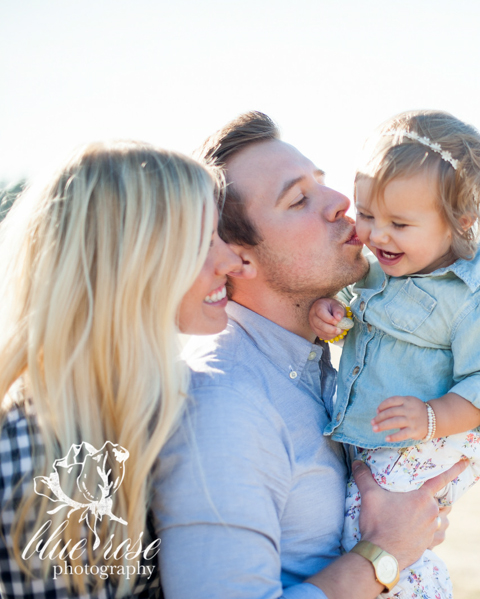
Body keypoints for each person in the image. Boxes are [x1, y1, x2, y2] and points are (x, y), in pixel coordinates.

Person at [151, 112, 464, 599]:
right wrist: (386, 551)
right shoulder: (224, 404)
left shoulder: (317, 362)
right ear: (238, 256)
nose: (342, 203)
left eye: (322, 183)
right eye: (299, 199)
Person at [0, 140, 243, 598]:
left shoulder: (148, 413)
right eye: (202, 243)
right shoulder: (35, 459)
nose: (231, 261)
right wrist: (376, 558)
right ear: (131, 263)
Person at [308, 109, 480, 598]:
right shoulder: (380, 267)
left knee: (372, 533)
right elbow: (363, 335)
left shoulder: (476, 291)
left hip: (437, 437)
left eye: (399, 223)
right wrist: (332, 321)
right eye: (366, 216)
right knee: (349, 528)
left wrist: (430, 416)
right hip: (380, 436)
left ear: (459, 222)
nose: (377, 236)